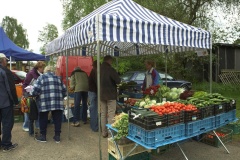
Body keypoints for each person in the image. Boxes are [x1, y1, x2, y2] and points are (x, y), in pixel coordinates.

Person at [32, 66, 66, 143]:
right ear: (53, 71)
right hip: (57, 102)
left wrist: (33, 94)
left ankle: (43, 136)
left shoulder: (41, 78)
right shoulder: (58, 78)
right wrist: (59, 97)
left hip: (44, 101)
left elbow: (35, 91)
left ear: (45, 70)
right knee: (57, 119)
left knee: (43, 117)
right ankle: (57, 137)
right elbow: (64, 91)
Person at [0, 53, 19, 152]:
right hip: (5, 103)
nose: (7, 62)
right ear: (3, 60)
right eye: (6, 60)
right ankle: (6, 145)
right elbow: (10, 88)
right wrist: (15, 101)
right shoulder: (5, 71)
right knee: (7, 123)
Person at [22, 61, 46, 136]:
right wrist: (26, 93)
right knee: (29, 112)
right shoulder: (31, 74)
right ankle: (26, 126)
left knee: (36, 111)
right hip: (29, 94)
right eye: (42, 68)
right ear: (39, 68)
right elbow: (25, 84)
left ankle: (36, 125)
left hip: (36, 94)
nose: (43, 69)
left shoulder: (40, 74)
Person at [100, 55, 121, 138]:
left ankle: (104, 132)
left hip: (101, 94)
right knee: (111, 114)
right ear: (109, 61)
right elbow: (118, 81)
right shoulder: (110, 69)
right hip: (111, 95)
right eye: (111, 61)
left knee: (103, 114)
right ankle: (110, 134)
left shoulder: (99, 70)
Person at [88, 60, 98, 132]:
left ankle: (93, 125)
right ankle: (94, 126)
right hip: (93, 92)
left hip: (92, 91)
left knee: (93, 108)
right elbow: (97, 82)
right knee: (94, 108)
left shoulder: (93, 71)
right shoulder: (95, 72)